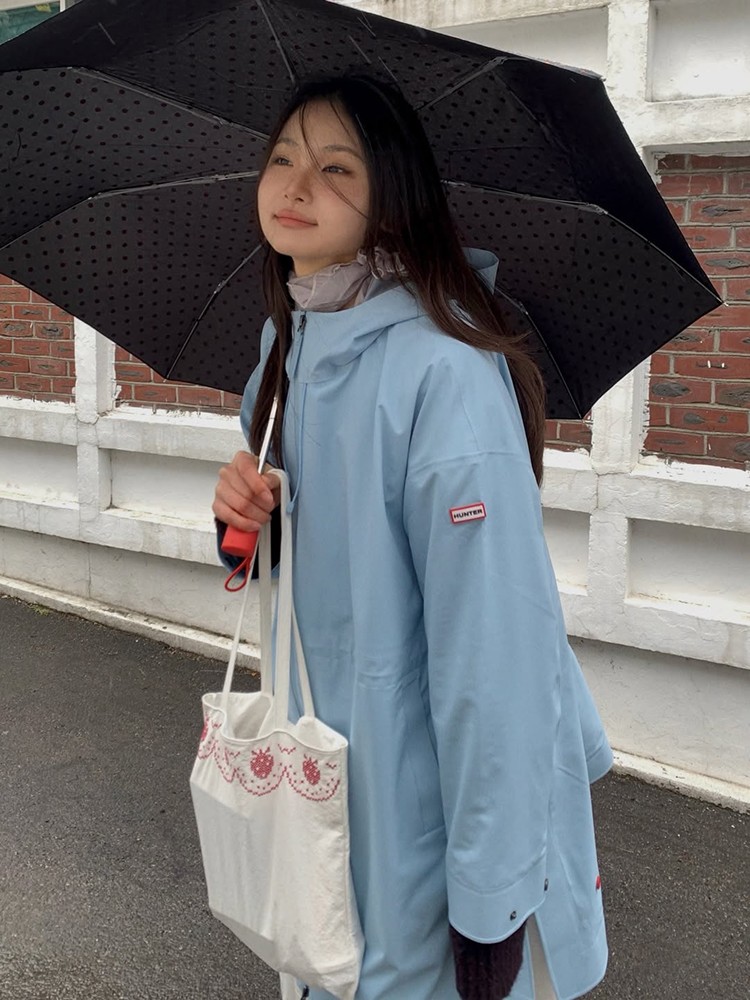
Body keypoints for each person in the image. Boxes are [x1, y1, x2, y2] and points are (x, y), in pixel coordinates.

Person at [212, 71, 613, 1000]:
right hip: (319, 776)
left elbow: (496, 653)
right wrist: (244, 521)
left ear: (392, 198)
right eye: (282, 158)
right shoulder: (289, 346)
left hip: (421, 804)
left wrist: (493, 897)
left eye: (336, 167)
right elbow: (303, 566)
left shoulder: (445, 372)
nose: (295, 186)